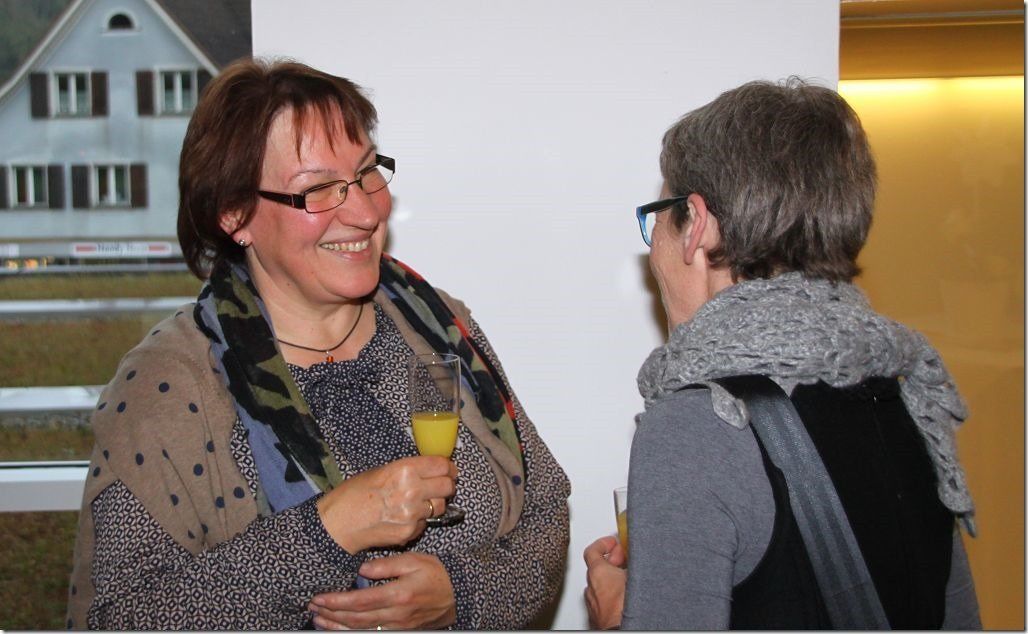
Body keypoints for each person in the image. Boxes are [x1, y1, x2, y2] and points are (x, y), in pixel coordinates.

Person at [65, 57, 570, 630]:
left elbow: (545, 510)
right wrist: (327, 531)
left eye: (366, 172)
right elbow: (120, 618)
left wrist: (464, 594)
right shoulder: (169, 384)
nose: (365, 211)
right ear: (235, 215)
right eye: (318, 189)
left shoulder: (438, 325)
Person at [583, 78, 981, 629]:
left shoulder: (698, 425)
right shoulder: (907, 393)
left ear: (696, 224)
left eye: (661, 219)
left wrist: (617, 618)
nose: (655, 251)